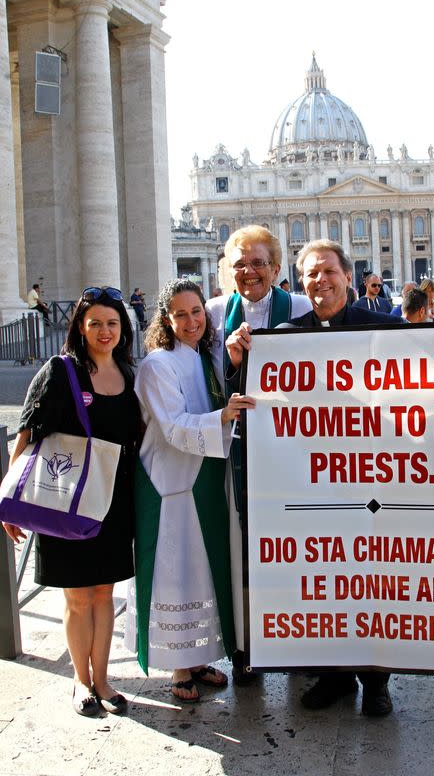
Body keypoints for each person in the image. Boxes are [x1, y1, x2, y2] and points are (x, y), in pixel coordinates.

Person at [3, 287, 140, 717]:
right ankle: (80, 681)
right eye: (95, 322)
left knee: (104, 593)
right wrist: (10, 501)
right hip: (64, 500)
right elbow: (26, 435)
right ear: (80, 326)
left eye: (112, 323)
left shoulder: (130, 373)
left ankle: (102, 679)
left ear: (123, 330)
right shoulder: (59, 371)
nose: (104, 331)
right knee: (77, 598)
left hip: (114, 504)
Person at [279, 240, 402, 716]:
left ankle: (376, 682)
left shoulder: (387, 327)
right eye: (310, 274)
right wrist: (236, 361)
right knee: (325, 579)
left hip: (376, 479)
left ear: (348, 277)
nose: (320, 281)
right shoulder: (284, 337)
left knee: (373, 580)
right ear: (300, 282)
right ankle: (333, 675)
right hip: (316, 483)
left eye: (328, 271)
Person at [125, 279, 255, 703]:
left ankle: (200, 658)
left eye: (196, 311)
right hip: (170, 484)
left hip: (205, 479)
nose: (191, 321)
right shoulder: (156, 365)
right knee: (175, 570)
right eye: (180, 314)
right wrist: (223, 415)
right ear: (166, 319)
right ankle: (179, 664)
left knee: (201, 570)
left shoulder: (204, 358)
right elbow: (174, 426)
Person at [205, 226, 311, 684]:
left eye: (259, 262)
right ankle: (249, 644)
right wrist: (230, 363)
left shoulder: (303, 308)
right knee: (247, 550)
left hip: (297, 452)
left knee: (299, 546)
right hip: (241, 453)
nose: (250, 271)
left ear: (276, 268)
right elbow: (201, 388)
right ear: (229, 271)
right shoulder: (212, 316)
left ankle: (301, 641)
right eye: (241, 264)